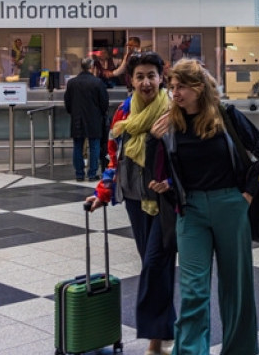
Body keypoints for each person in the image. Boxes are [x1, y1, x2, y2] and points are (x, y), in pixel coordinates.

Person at [150, 59, 259, 355]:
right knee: (193, 290)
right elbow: (160, 168)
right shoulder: (170, 123)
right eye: (172, 87)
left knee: (236, 287)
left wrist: (248, 195)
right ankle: (191, 351)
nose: (174, 93)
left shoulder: (226, 116)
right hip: (190, 211)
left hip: (230, 204)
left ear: (199, 88)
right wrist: (163, 177)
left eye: (181, 87)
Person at [106, 51, 175, 354]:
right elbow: (113, 156)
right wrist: (102, 193)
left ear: (162, 79)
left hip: (165, 200)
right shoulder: (123, 113)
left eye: (152, 75)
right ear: (130, 81)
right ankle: (167, 326)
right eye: (140, 76)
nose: (146, 82)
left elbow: (186, 158)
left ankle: (155, 340)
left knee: (154, 263)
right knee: (154, 264)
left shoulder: (174, 110)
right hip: (134, 197)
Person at [65, 57, 110, 182]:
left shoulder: (72, 83)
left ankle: (79, 173)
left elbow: (67, 102)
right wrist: (101, 114)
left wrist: (72, 112)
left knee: (78, 146)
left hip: (77, 118)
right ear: (92, 68)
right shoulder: (97, 82)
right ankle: (92, 173)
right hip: (94, 118)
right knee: (94, 146)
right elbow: (104, 103)